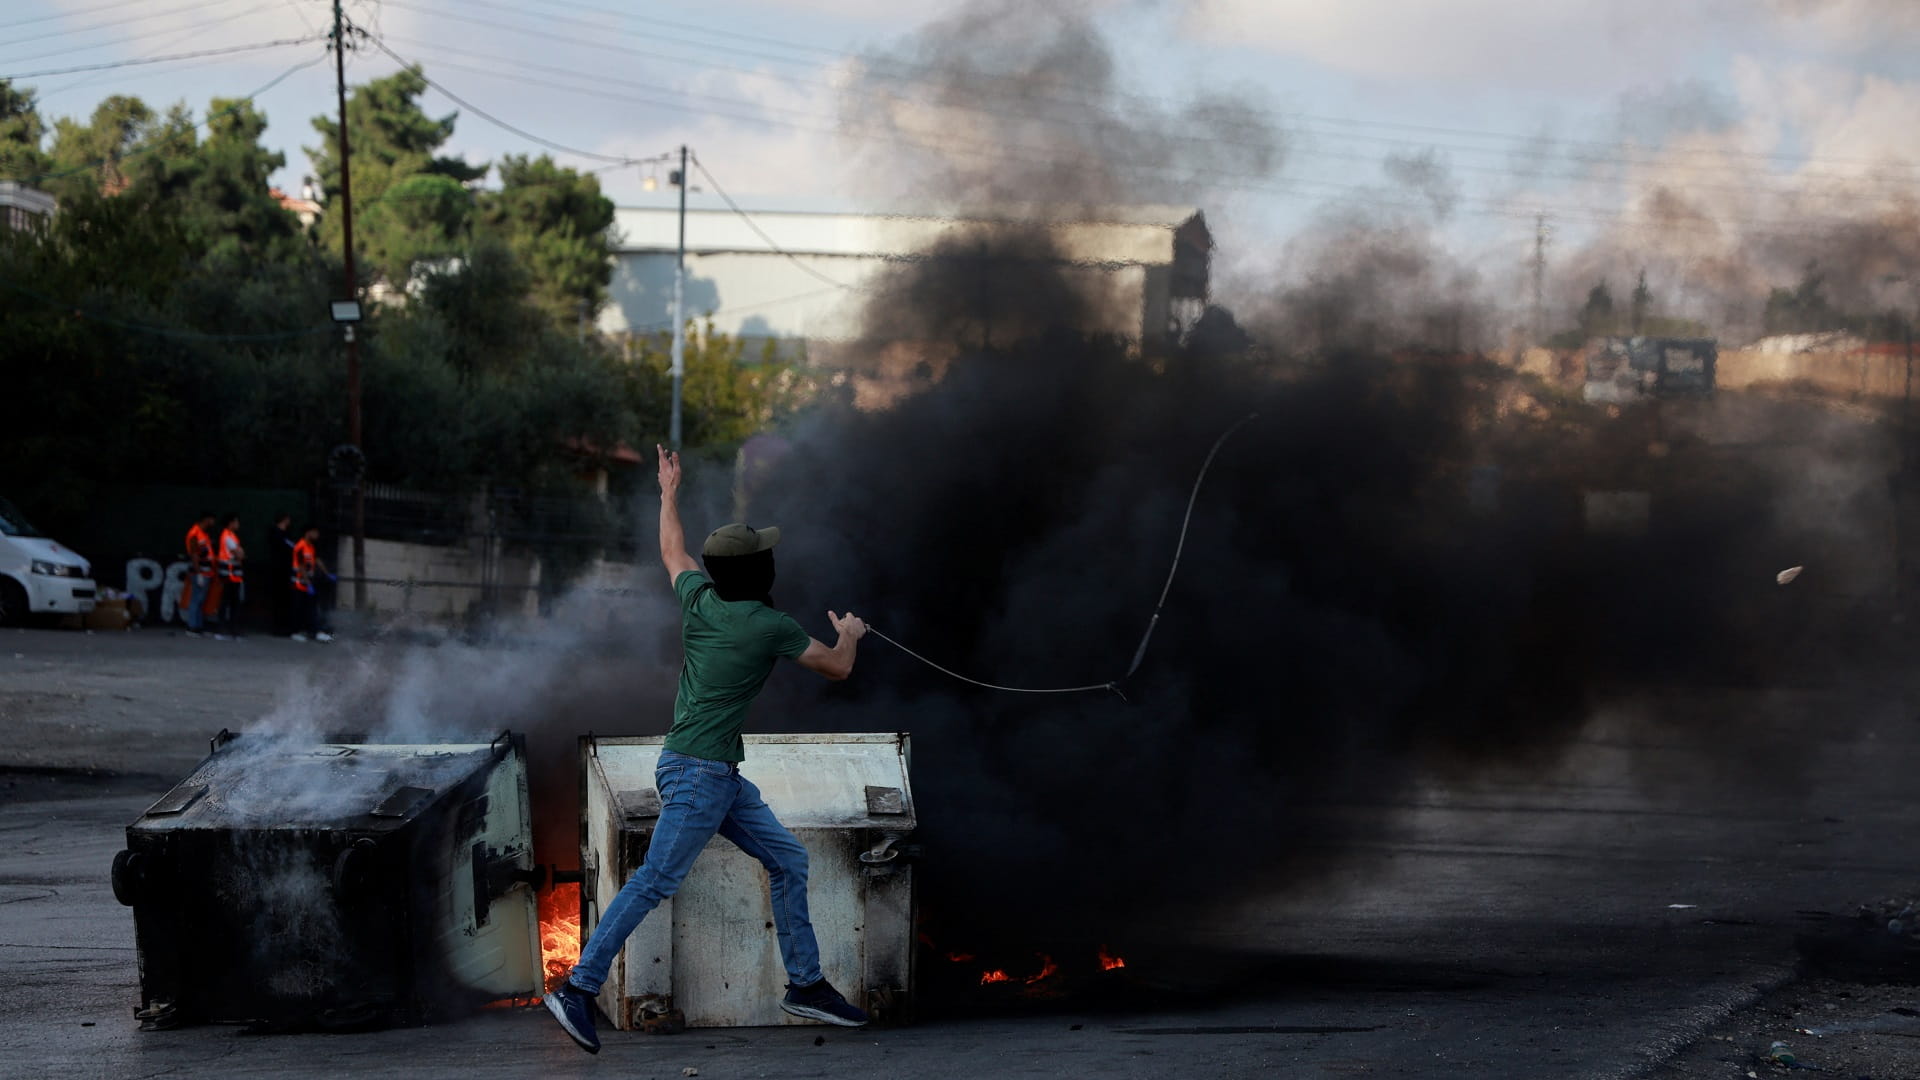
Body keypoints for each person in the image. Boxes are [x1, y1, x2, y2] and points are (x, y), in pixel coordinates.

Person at [543, 444, 871, 1055]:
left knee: (788, 861)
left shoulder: (700, 601)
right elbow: (838, 667)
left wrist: (668, 492)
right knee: (654, 880)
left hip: (711, 774)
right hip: (699, 777)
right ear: (758, 574)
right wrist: (848, 631)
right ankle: (579, 989)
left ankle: (806, 984)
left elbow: (672, 550)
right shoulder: (770, 626)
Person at [289, 524, 334, 643]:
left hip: (308, 582)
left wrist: (326, 573)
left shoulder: (311, 547)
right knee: (299, 608)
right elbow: (301, 566)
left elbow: (316, 560)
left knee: (311, 608)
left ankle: (314, 631)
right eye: (315, 532)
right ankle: (296, 632)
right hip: (299, 583)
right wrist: (308, 584)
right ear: (308, 532)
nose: (317, 535)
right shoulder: (300, 546)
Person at [180, 511, 216, 638]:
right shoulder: (194, 533)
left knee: (201, 600)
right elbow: (194, 554)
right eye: (212, 519)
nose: (213, 523)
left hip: (206, 571)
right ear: (206, 519)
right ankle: (192, 627)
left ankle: (198, 626)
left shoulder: (203, 534)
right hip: (199, 571)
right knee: (196, 599)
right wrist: (198, 572)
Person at [215, 513, 245, 637]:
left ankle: (231, 629)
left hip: (234, 574)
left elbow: (241, 553)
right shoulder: (227, 536)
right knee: (228, 602)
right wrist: (240, 553)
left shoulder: (232, 536)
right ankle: (225, 629)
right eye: (236, 522)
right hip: (229, 574)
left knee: (232, 602)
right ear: (230, 523)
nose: (238, 524)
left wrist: (240, 553)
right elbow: (239, 554)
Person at [266, 512, 295, 636]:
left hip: (285, 570)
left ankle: (282, 627)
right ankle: (277, 628)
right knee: (279, 599)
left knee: (284, 600)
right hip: (278, 570)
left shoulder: (285, 535)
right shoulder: (276, 534)